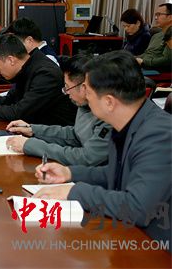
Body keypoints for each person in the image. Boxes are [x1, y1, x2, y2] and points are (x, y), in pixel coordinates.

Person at [34, 51, 171, 243]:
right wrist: (70, 173)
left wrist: (74, 192)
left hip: (156, 247)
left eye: (88, 92)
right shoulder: (129, 121)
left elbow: (137, 208)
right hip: (129, 235)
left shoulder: (158, 135)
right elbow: (117, 174)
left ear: (109, 102)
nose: (86, 97)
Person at [5, 54, 112, 166]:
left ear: (84, 87)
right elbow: (75, 135)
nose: (66, 92)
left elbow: (86, 158)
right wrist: (33, 130)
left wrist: (31, 145)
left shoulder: (107, 116)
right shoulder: (83, 104)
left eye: (68, 87)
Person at [0, 33, 76, 125]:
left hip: (54, 136)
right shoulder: (27, 66)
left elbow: (19, 112)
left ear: (11, 60)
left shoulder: (45, 74)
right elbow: (10, 100)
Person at [136, 3, 172, 71]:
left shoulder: (170, 35)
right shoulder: (156, 35)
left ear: (170, 17)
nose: (155, 18)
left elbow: (167, 60)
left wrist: (143, 62)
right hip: (144, 66)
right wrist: (132, 58)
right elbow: (147, 53)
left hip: (157, 71)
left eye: (159, 14)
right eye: (156, 15)